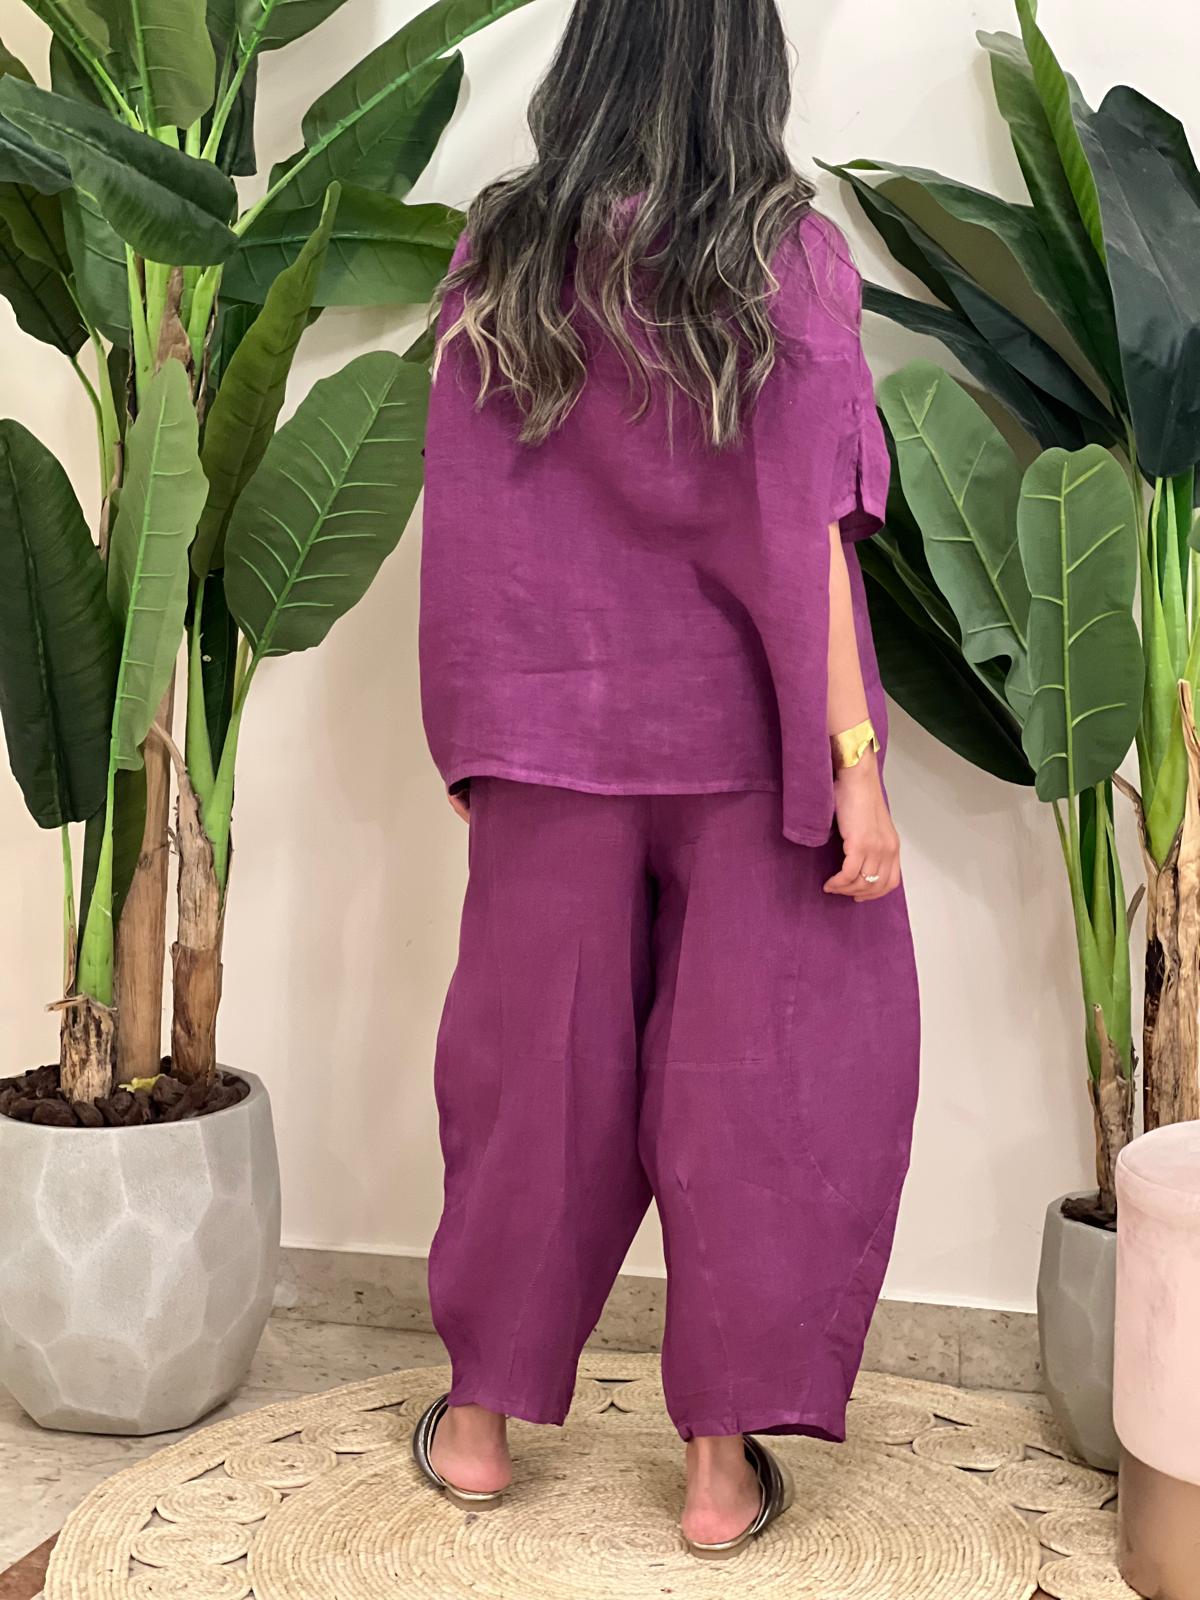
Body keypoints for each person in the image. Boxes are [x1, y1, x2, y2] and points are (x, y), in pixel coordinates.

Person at [413, 0, 920, 1560]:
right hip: (750, 747)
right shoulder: (790, 260)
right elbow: (810, 532)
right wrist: (855, 761)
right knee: (756, 1086)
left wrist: (476, 739)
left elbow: (467, 509)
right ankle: (713, 1470)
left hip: (548, 740)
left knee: (532, 1082)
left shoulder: (506, 251)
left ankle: (481, 1427)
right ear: (742, 61)